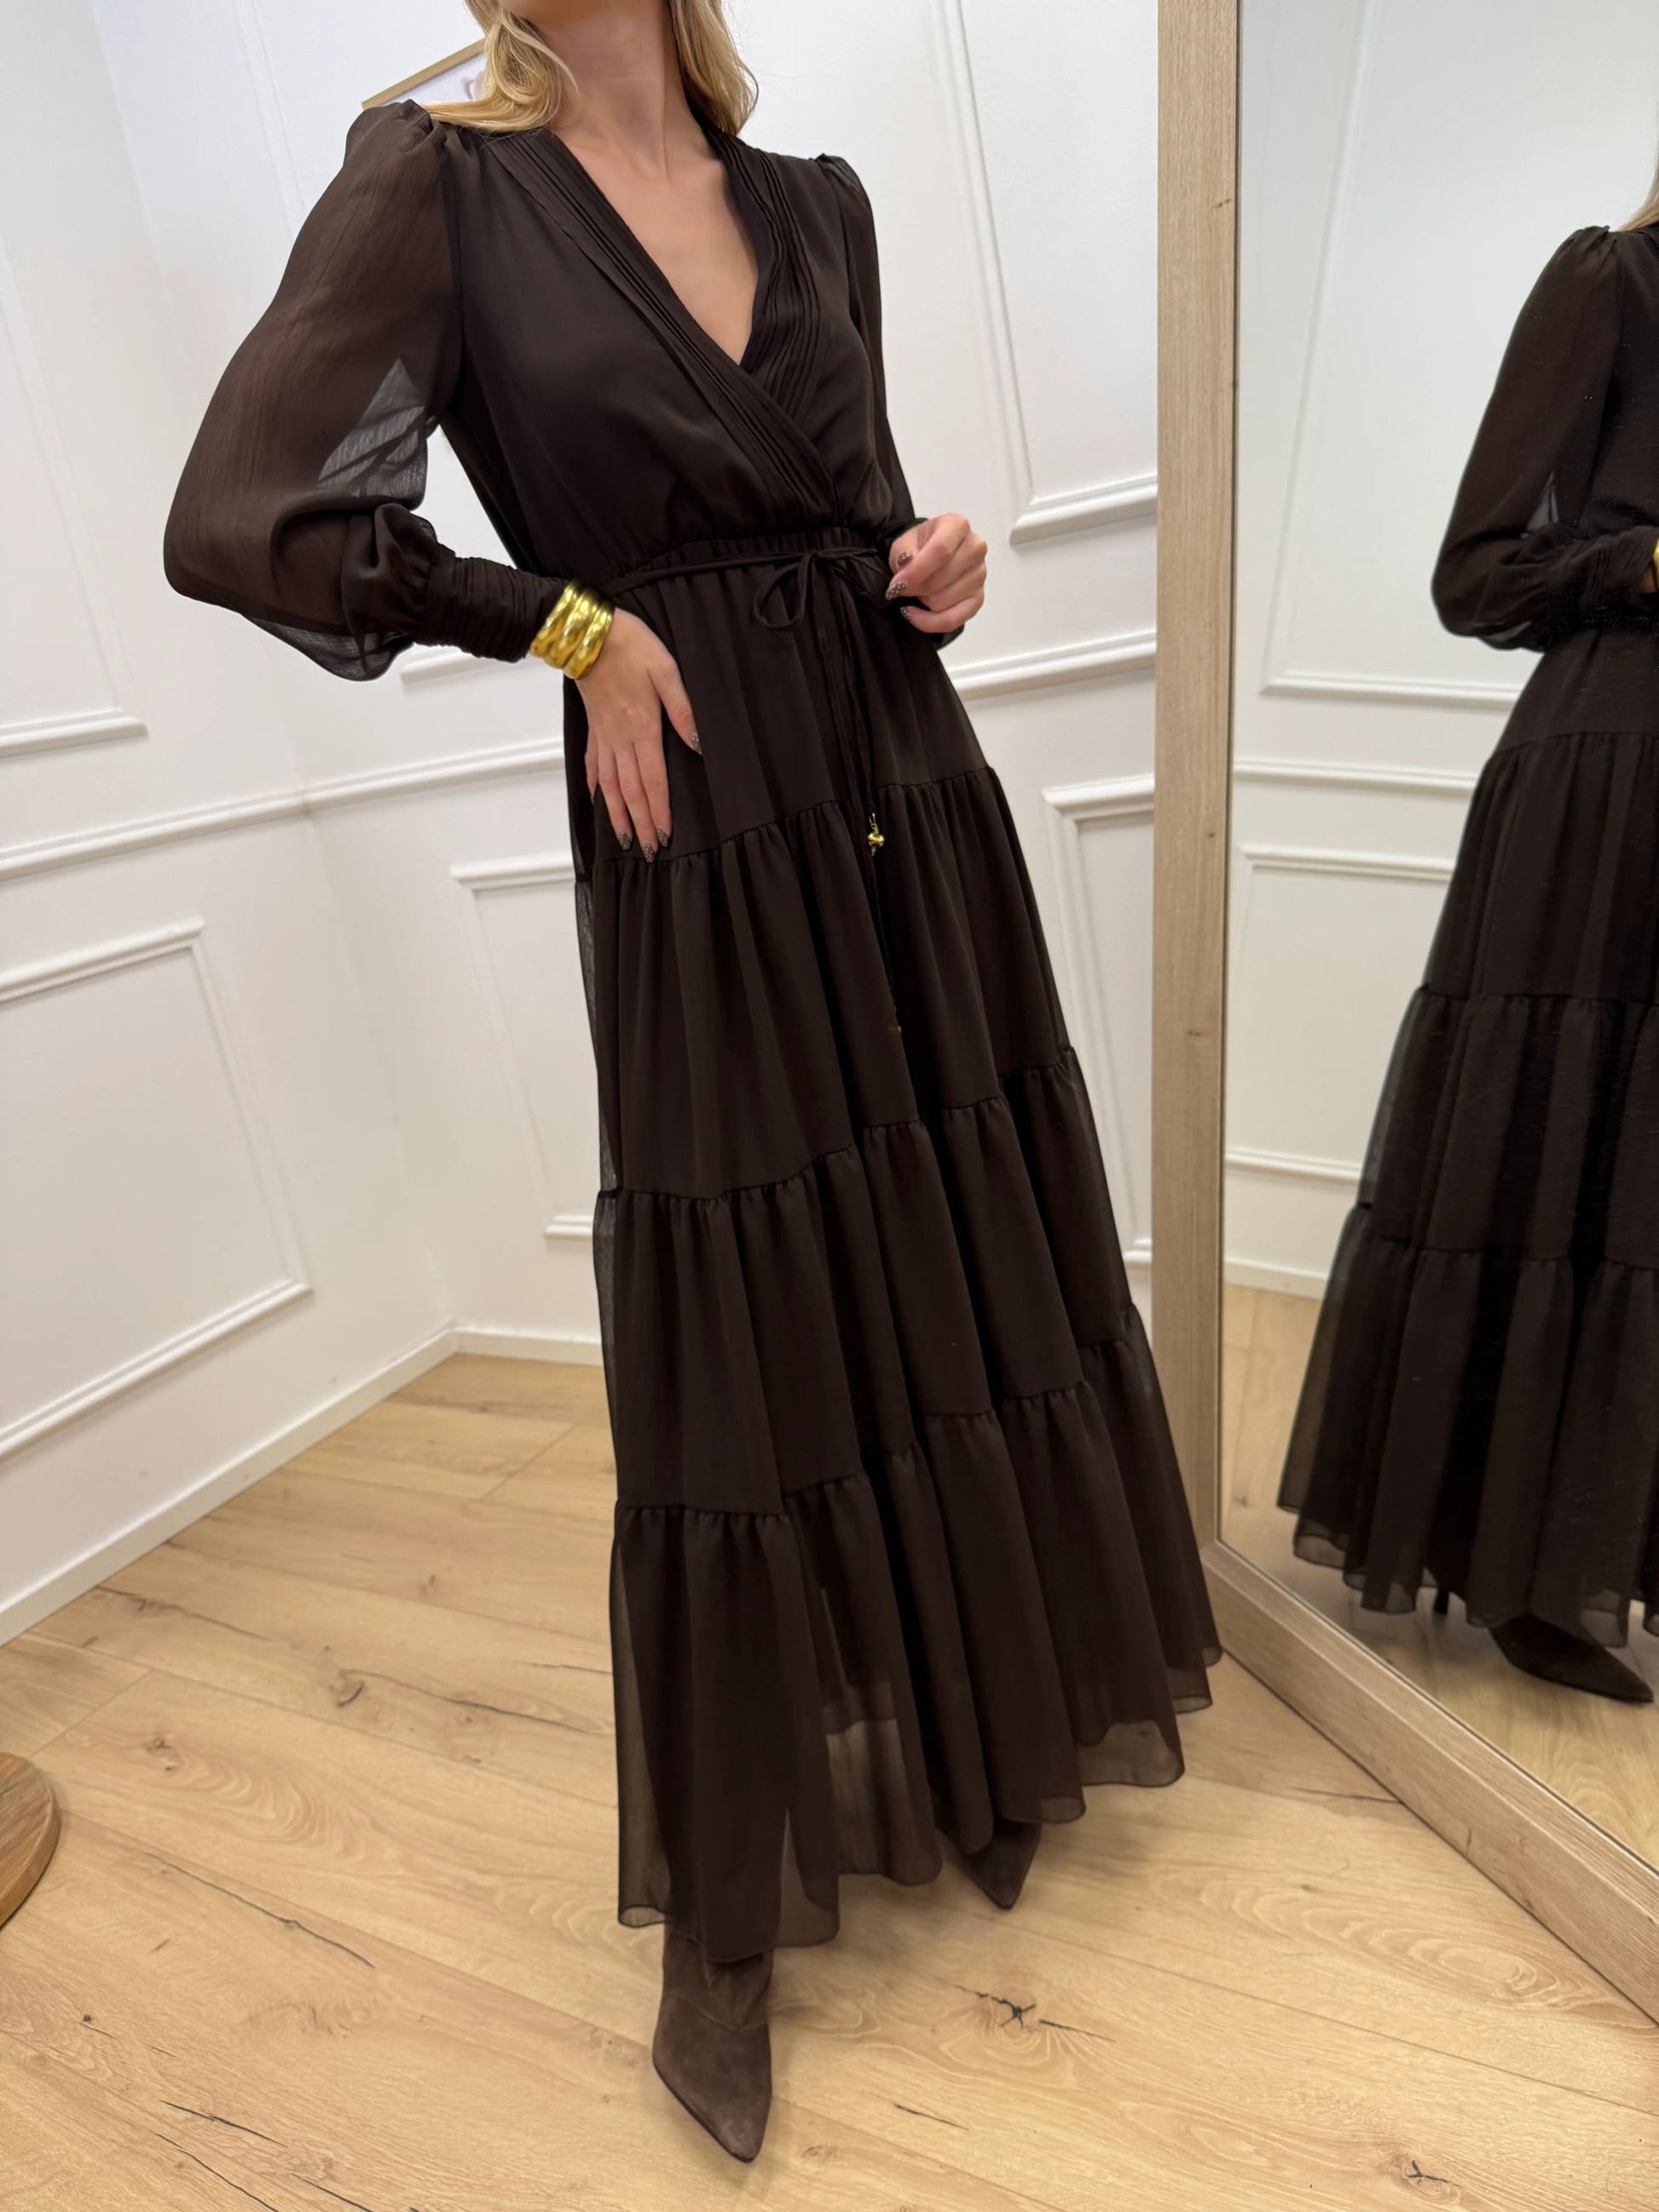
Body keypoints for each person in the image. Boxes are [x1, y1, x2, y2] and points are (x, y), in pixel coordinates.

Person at [164, 0, 1217, 2162]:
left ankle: (975, 1724)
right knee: (738, 1316)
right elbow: (245, 515)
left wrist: (933, 567)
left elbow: (859, 513)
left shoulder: (817, 206)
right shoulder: (436, 183)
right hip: (694, 815)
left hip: (902, 780)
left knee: (950, 1235)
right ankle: (729, 1891)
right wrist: (561, 624)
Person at [1279, 200, 1659, 1712]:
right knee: (1558, 1156)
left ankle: (1600, 1546)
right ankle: (1513, 1567)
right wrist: (1641, 562)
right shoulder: (1612, 280)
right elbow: (1477, 575)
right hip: (1608, 785)